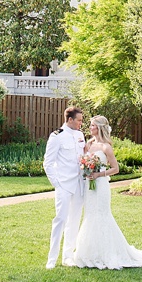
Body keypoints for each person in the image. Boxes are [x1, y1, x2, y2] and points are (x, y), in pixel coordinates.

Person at [72, 115, 142, 269]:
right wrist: (87, 170)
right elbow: (83, 161)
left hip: (100, 186)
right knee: (90, 215)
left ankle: (108, 253)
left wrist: (99, 174)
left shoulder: (106, 147)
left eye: (92, 125)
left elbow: (116, 168)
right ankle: (90, 254)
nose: (90, 128)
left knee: (102, 215)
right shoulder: (88, 145)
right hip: (89, 186)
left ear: (99, 127)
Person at [43, 106, 86, 269]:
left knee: (74, 221)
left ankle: (68, 256)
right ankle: (52, 259)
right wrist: (57, 184)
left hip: (79, 185)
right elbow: (48, 163)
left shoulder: (80, 135)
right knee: (60, 220)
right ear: (69, 119)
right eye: (79, 120)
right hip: (64, 185)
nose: (81, 123)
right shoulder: (56, 136)